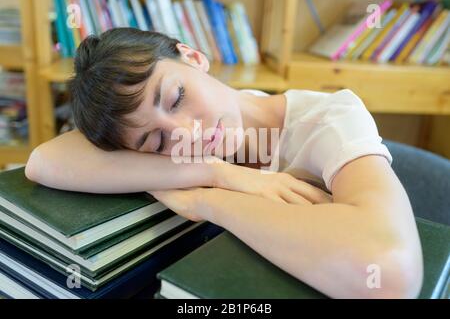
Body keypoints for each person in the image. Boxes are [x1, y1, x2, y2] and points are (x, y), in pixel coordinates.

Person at [25, 28, 423, 298]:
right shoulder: (195, 150)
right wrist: (216, 172)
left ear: (194, 57)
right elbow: (44, 162)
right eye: (157, 139)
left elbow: (388, 276)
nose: (187, 133)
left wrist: (208, 201)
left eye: (177, 97)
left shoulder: (331, 119)